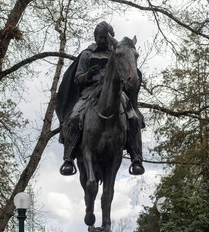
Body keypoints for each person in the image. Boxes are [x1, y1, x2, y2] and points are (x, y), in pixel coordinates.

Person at [56, 21, 145, 176]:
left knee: (134, 118)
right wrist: (88, 75)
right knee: (74, 116)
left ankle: (136, 158)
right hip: (90, 92)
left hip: (116, 93)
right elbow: (77, 78)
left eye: (105, 38)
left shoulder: (117, 53)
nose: (102, 40)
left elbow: (126, 70)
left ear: (111, 38)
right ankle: (69, 158)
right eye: (100, 37)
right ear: (95, 37)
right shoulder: (87, 54)